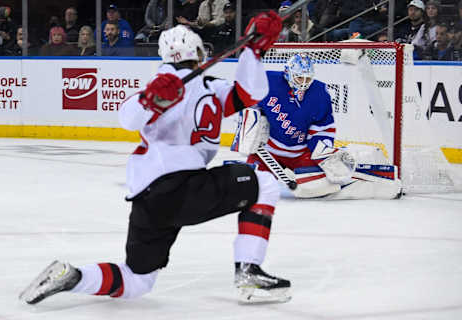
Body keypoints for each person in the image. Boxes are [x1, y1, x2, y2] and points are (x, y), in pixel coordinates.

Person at [19, 12, 288, 305]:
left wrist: (253, 49)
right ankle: (248, 271)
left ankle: (73, 276)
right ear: (198, 52)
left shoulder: (200, 86)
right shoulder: (178, 85)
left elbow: (249, 94)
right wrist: (253, 52)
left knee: (137, 280)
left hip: (149, 198)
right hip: (182, 188)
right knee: (263, 184)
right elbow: (130, 116)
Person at [231, 54, 402, 200]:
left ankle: (371, 181)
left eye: (308, 79)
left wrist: (321, 152)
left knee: (315, 186)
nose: (304, 84)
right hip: (269, 152)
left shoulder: (319, 93)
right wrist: (248, 127)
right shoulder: (268, 82)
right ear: (288, 74)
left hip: (300, 153)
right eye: (300, 78)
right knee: (248, 185)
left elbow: (323, 128)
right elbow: (243, 99)